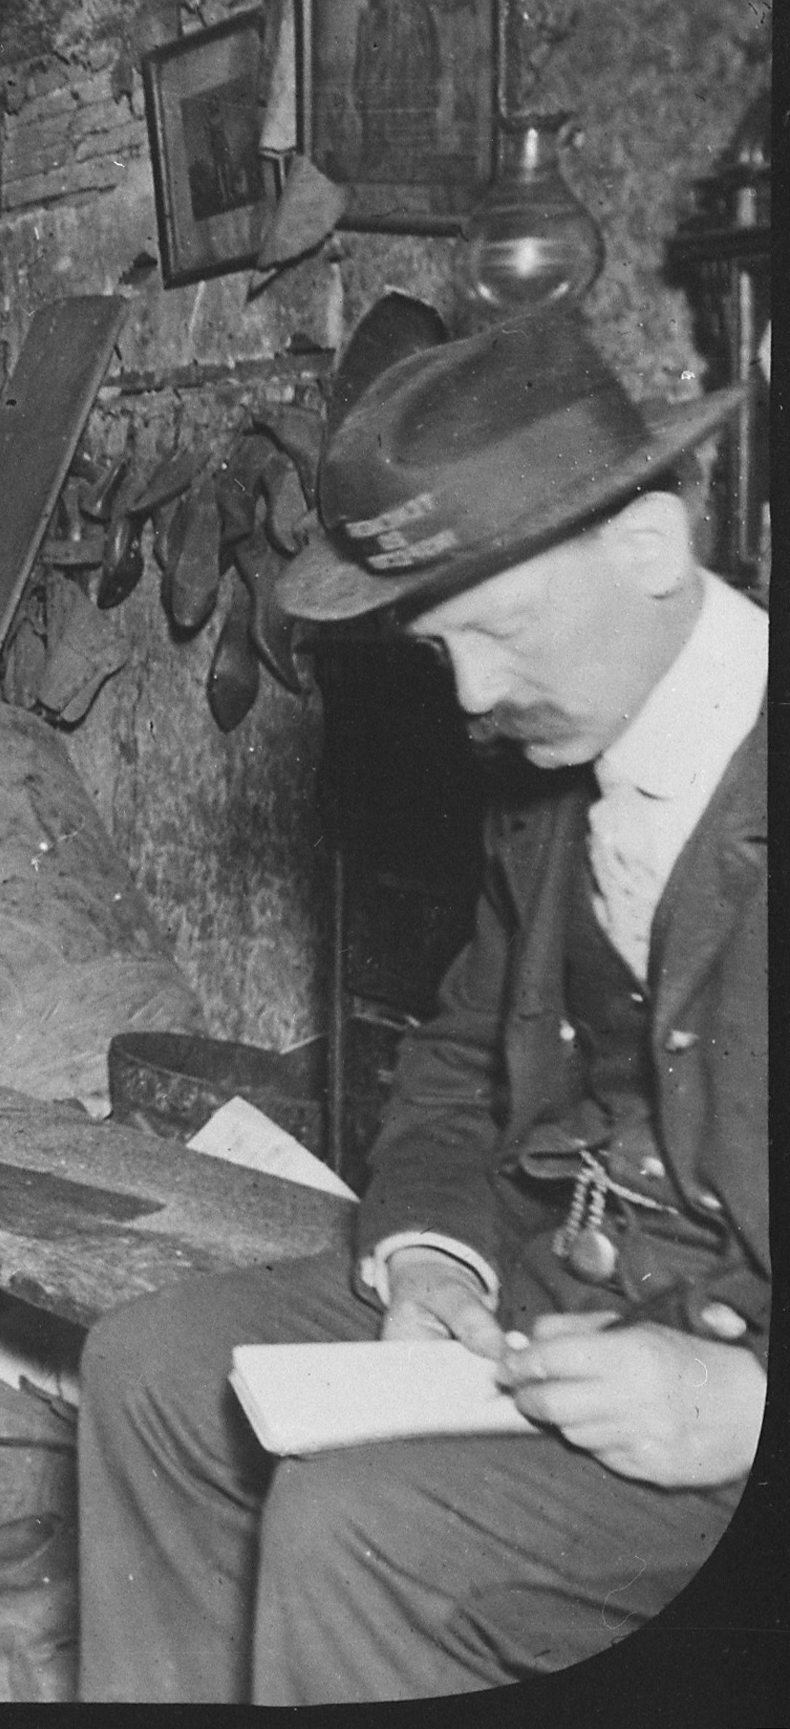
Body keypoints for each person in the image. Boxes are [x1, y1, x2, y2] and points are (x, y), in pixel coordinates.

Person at [77, 306, 764, 1704]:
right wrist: (433, 1254)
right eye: (439, 647)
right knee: (150, 1367)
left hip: (727, 1388)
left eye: (497, 631)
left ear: (648, 550)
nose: (475, 695)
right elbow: (455, 1058)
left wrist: (747, 1411)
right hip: (533, 1287)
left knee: (362, 1532)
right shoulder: (552, 778)